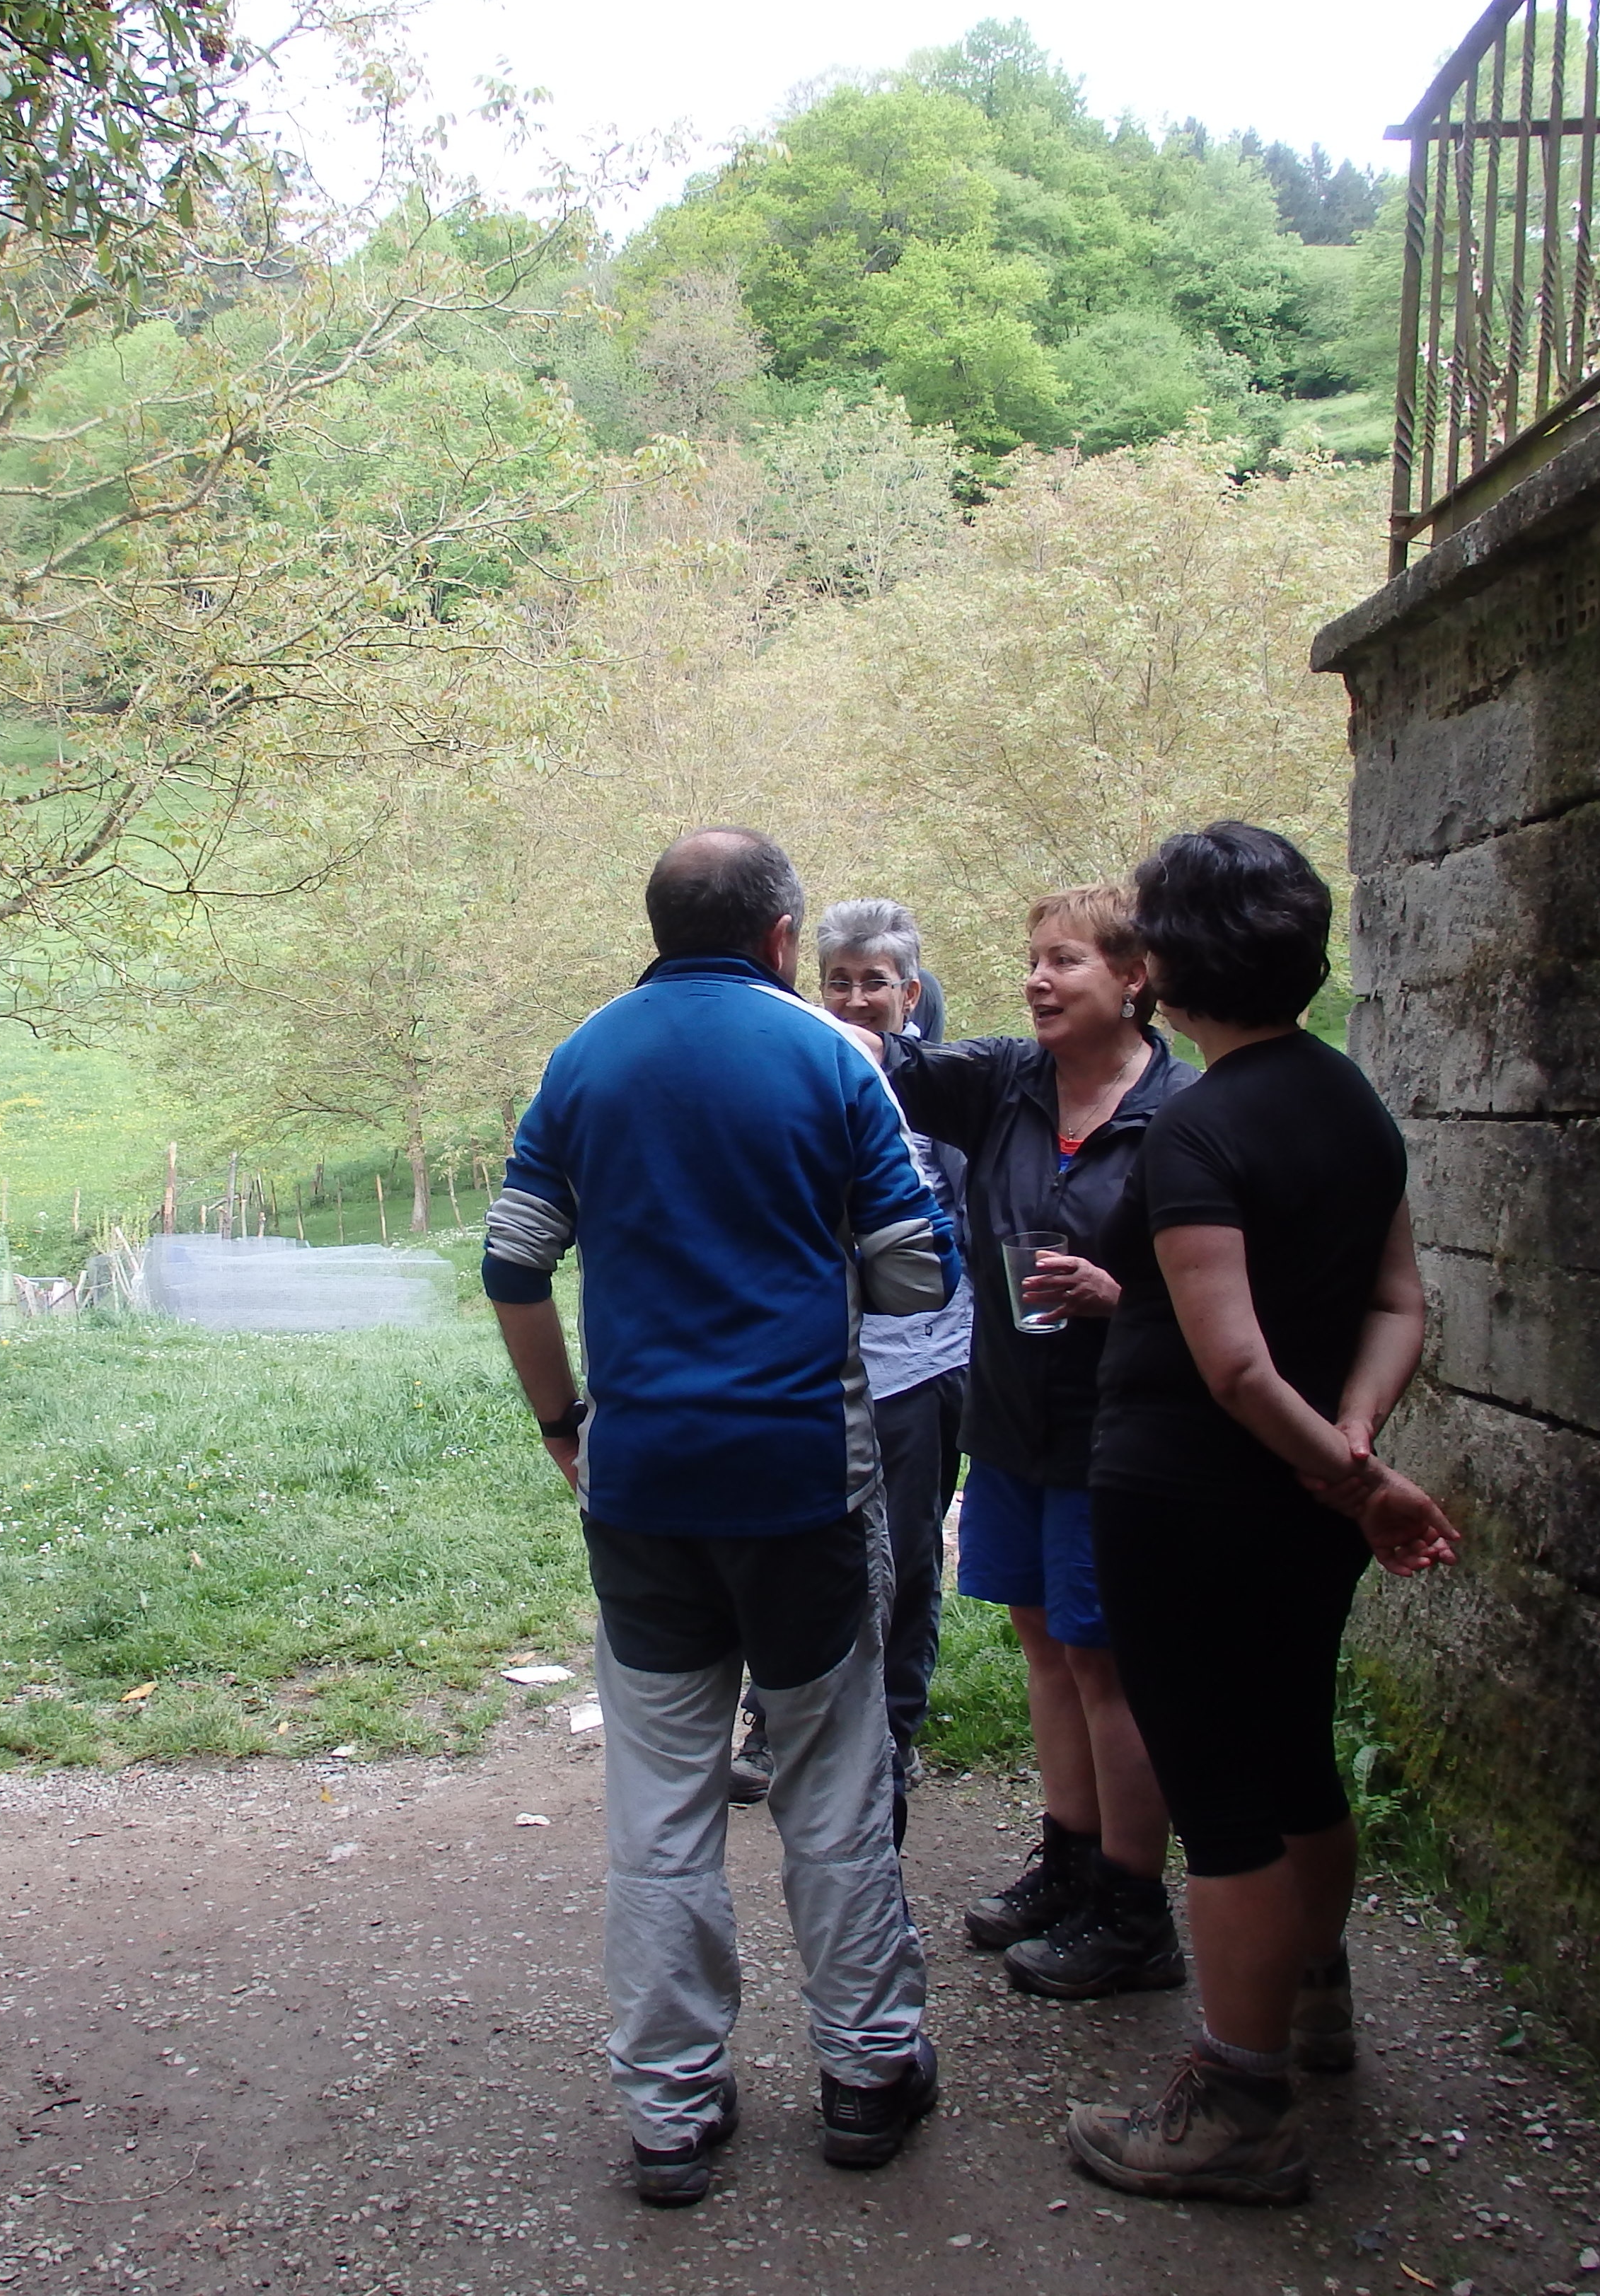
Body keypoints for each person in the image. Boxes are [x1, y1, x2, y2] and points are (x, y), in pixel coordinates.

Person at [483, 828, 959, 2208]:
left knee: (661, 1798)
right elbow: (918, 1277)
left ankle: (671, 2111)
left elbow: (513, 1263)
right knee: (832, 1778)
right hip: (806, 1485)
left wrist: (565, 1425)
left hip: (642, 1489)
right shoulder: (831, 1057)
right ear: (782, 936)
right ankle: (868, 2072)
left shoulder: (584, 1058)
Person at [1060, 823, 1459, 2205]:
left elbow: (1230, 1368)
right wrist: (1353, 1446)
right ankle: (1311, 1998)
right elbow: (1399, 1301)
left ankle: (1240, 2104)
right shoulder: (1353, 1105)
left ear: (1165, 968)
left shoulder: (1198, 1127)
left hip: (1187, 1500)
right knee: (1295, 1752)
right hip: (1302, 1502)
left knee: (1221, 1796)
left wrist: (1358, 1478)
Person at [879, 885, 1195, 1998]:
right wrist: (773, 998)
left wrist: (1122, 1295)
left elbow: (1228, 1291)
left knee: (1108, 1664)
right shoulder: (1009, 1082)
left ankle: (1134, 1910)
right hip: (1013, 1422)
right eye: (1033, 960)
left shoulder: (1182, 1113)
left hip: (1119, 1432)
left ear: (1134, 978)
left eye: (1064, 961)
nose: (1037, 980)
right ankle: (1069, 1862)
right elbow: (889, 1063)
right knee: (1046, 1645)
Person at [729, 900, 969, 1821]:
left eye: (876, 982)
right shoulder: (792, 1078)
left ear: (910, 991)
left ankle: (891, 1736)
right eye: (839, 981)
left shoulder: (947, 1093)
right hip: (807, 1369)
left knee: (904, 1559)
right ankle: (774, 1724)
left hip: (919, 1368)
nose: (857, 998)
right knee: (790, 1545)